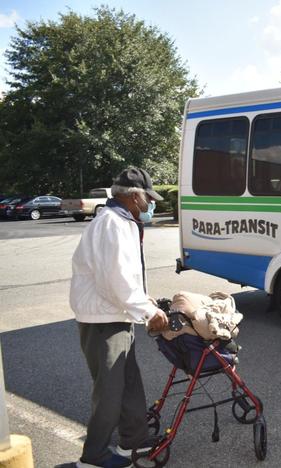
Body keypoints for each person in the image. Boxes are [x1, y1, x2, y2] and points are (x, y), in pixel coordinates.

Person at [70, 167, 168, 468]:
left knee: (129, 383)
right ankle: (94, 455)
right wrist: (148, 311)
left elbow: (122, 277)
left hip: (115, 313)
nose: (150, 205)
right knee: (110, 391)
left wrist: (143, 300)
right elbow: (116, 280)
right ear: (134, 196)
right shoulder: (112, 224)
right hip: (103, 320)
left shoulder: (121, 221)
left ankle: (133, 439)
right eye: (147, 198)